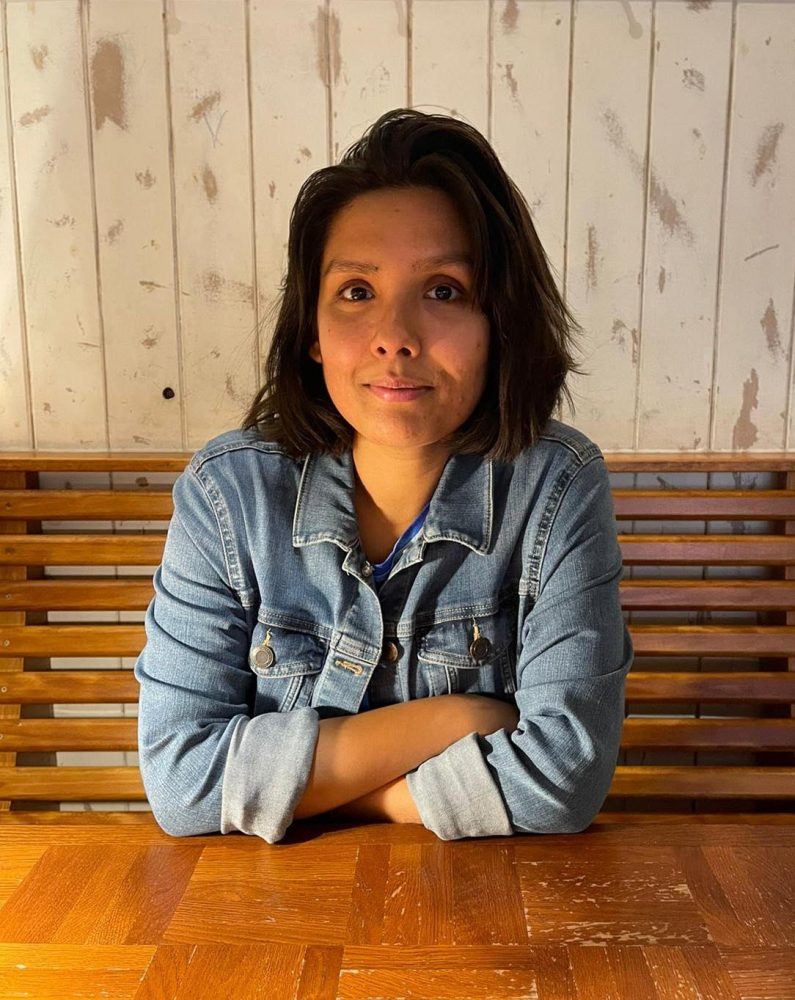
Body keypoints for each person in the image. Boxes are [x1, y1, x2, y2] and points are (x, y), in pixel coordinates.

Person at [134, 107, 634, 845]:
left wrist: (300, 792)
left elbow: (561, 785)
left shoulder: (554, 487)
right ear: (310, 328)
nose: (395, 339)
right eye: (357, 291)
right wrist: (456, 718)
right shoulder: (228, 494)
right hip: (272, 907)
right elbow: (181, 782)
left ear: (500, 323)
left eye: (443, 290)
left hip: (483, 905)